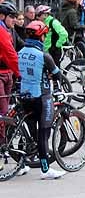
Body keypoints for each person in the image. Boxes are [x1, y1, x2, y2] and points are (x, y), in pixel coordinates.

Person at [17, 20, 63, 180]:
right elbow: (57, 75)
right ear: (41, 36)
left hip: (25, 96)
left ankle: (22, 163)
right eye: (45, 35)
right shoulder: (44, 56)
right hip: (42, 97)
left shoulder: (21, 52)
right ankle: (46, 170)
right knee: (43, 134)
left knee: (30, 132)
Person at [0, 3, 21, 119]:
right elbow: (11, 55)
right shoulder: (1, 32)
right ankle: (3, 138)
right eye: (12, 17)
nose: (15, 20)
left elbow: (20, 44)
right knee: (3, 113)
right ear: (2, 16)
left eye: (16, 17)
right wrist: (21, 74)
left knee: (6, 110)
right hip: (1, 75)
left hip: (8, 73)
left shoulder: (8, 30)